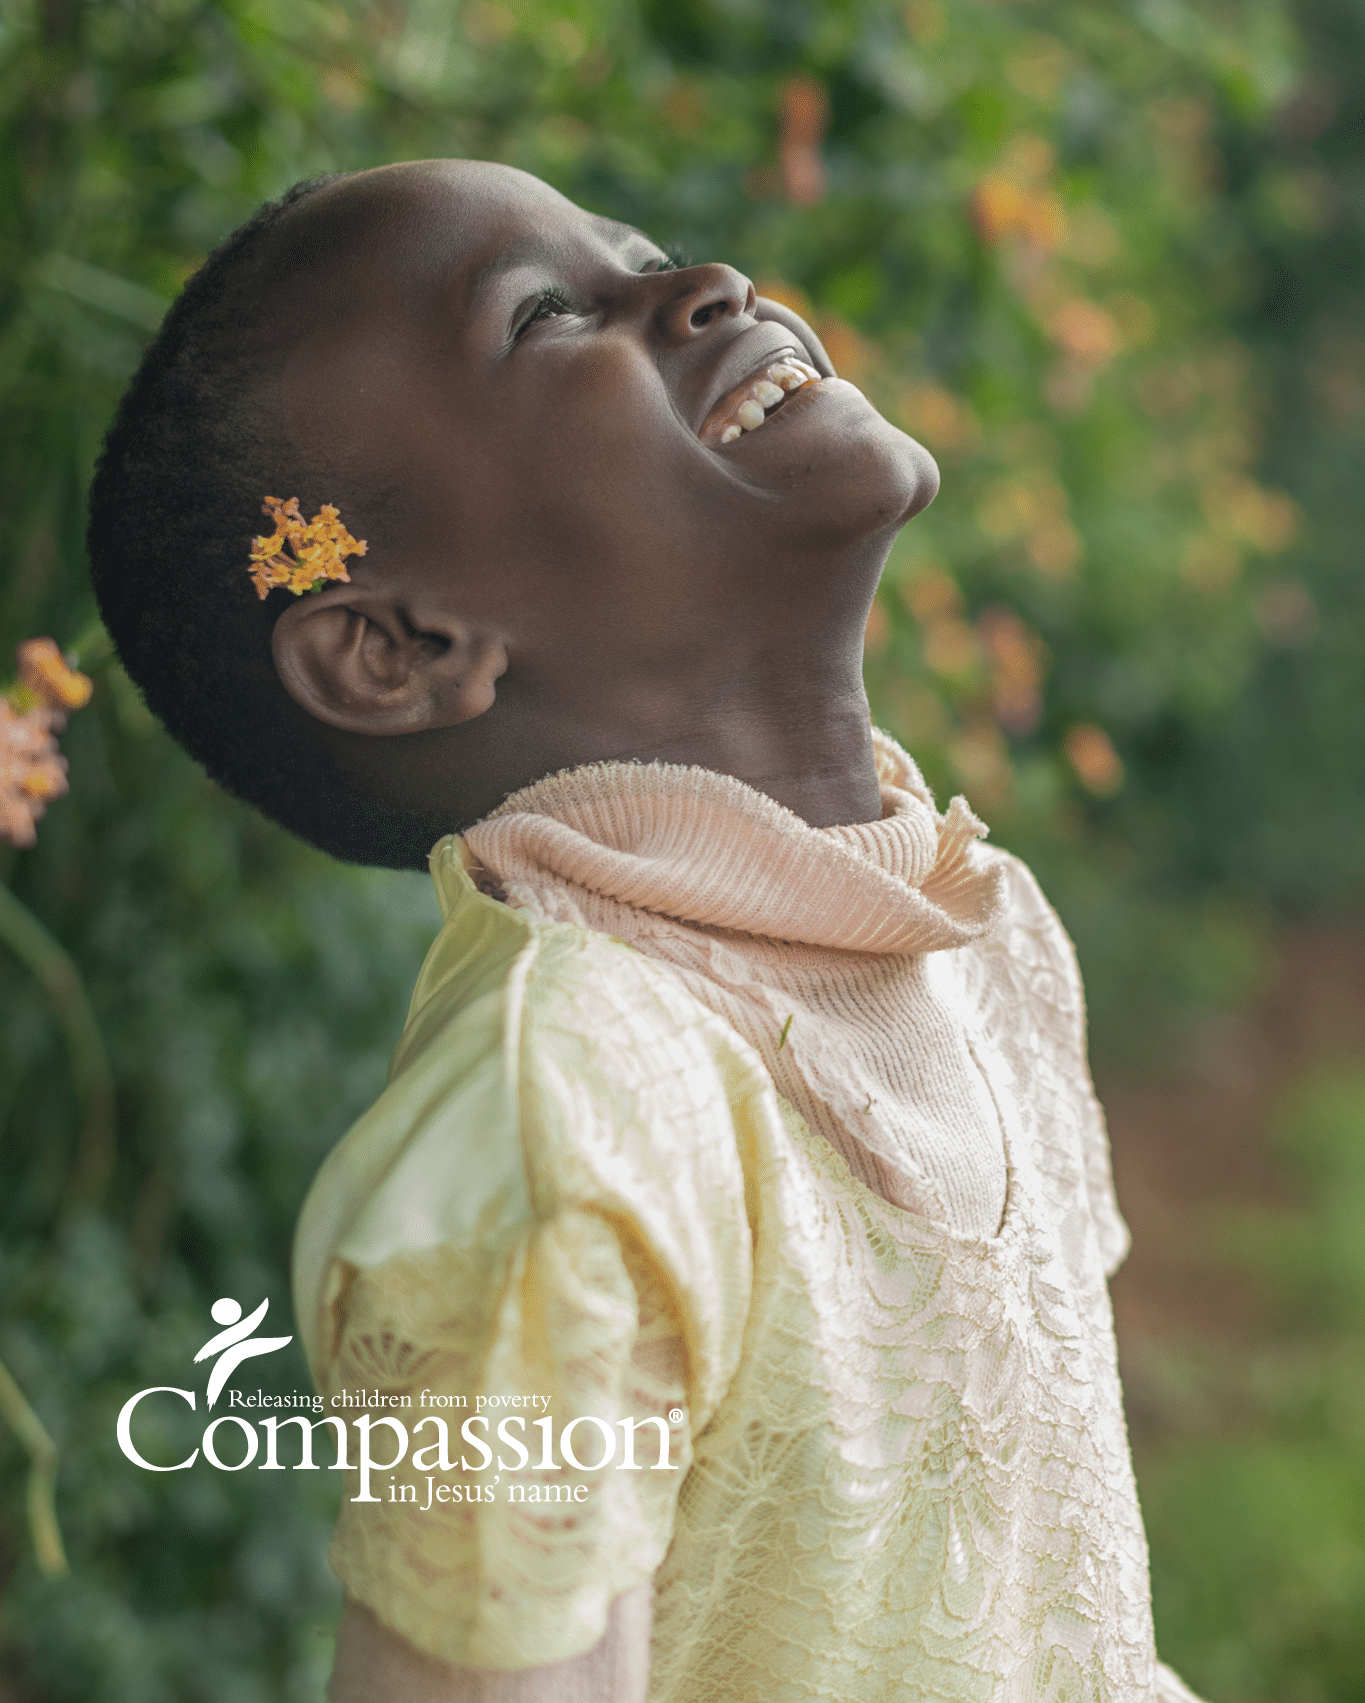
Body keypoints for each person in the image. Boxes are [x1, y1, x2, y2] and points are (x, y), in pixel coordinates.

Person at [88, 160, 1202, 1703]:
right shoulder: (569, 1121)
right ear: (398, 646)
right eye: (549, 316)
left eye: (647, 252)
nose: (706, 286)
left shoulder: (979, 941)